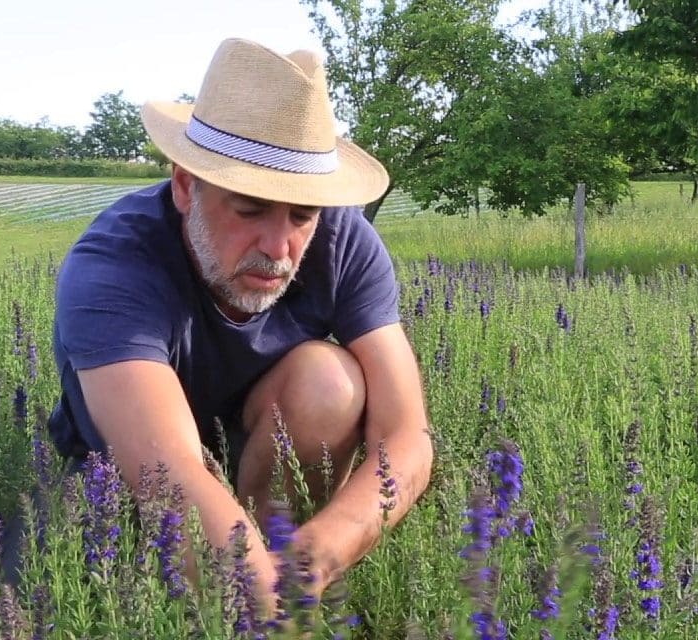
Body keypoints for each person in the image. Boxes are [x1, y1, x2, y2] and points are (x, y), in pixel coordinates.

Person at [46, 38, 434, 610]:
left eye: (302, 215)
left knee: (332, 381)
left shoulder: (346, 242)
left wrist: (320, 553)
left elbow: (407, 438)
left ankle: (265, 542)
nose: (278, 248)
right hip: (130, 468)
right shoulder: (114, 267)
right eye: (249, 210)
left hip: (256, 449)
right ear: (185, 186)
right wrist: (253, 594)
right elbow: (167, 473)